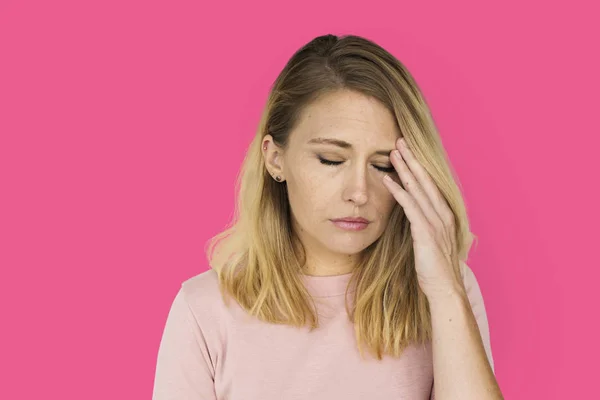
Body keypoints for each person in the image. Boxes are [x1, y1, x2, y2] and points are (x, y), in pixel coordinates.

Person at [152, 34, 503, 399]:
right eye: (332, 160)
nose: (359, 192)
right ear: (275, 159)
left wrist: (446, 291)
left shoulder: (446, 289)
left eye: (383, 165)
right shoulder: (204, 311)